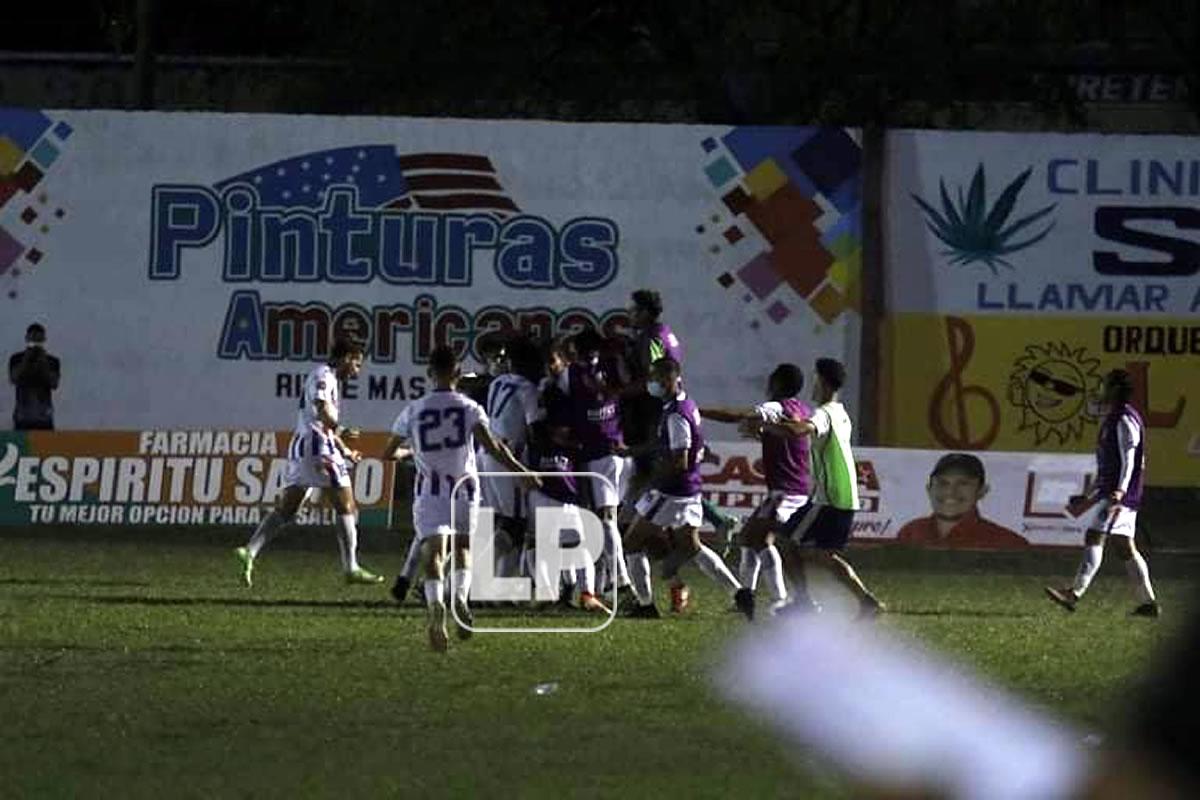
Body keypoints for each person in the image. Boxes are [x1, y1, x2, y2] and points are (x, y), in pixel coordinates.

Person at [383, 345, 540, 652]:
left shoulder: (414, 409)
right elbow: (494, 447)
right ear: (457, 373)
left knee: (433, 553)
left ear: (430, 373)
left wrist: (409, 453)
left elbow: (388, 452)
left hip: (429, 489)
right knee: (463, 548)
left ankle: (435, 607)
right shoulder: (469, 408)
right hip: (464, 488)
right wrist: (521, 472)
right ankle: (459, 598)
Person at [235, 336, 383, 587]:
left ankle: (249, 551)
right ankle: (351, 567)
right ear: (346, 358)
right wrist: (342, 427)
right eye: (357, 364)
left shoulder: (329, 378)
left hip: (308, 446)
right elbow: (322, 410)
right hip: (317, 449)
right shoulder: (324, 376)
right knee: (347, 506)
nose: (357, 371)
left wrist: (346, 451)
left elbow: (320, 423)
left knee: (288, 508)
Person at [622, 357, 749, 618]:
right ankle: (740, 593)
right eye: (652, 378)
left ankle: (644, 605)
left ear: (673, 379)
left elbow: (680, 460)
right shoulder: (685, 405)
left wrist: (653, 481)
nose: (653, 383)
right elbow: (667, 447)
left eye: (657, 378)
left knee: (632, 543)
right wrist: (632, 451)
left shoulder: (676, 415)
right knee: (692, 546)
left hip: (671, 492)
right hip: (688, 491)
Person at [760, 358, 885, 619]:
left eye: (815, 378)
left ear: (823, 381)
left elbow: (800, 430)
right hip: (841, 497)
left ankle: (804, 600)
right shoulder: (840, 412)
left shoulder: (823, 413)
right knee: (820, 554)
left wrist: (767, 426)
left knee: (785, 540)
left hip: (828, 498)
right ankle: (866, 601)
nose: (812, 385)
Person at [620, 289, 737, 560]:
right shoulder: (666, 332)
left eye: (634, 310)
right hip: (665, 408)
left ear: (647, 312)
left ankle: (640, 537)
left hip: (654, 413)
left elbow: (655, 373)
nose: (630, 315)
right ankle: (713, 521)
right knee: (656, 479)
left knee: (653, 475)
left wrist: (618, 392)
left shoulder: (651, 337)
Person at [1045, 369, 1160, 617]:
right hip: (1116, 492)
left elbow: (1129, 459)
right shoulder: (1113, 418)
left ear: (1115, 390)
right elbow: (1109, 464)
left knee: (1094, 536)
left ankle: (1074, 593)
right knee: (1125, 547)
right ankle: (1148, 604)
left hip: (1120, 495)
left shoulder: (1124, 419)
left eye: (1105, 385)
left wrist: (1120, 490)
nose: (1100, 390)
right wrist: (1088, 494)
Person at [700, 363, 812, 614]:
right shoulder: (801, 408)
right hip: (792, 489)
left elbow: (740, 415)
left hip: (786, 491)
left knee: (758, 538)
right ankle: (747, 596)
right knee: (750, 540)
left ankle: (779, 599)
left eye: (771, 381)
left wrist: (700, 412)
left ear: (778, 384)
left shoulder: (775, 407)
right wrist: (763, 436)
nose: (767, 385)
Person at [895, 453, 1029, 549]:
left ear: (982, 491)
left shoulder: (1009, 544)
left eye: (963, 483)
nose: (951, 492)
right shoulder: (910, 533)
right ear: (929, 490)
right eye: (943, 483)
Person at [9, 323, 60, 430]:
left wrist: (43, 362)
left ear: (44, 340)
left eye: (38, 340)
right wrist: (26, 360)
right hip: (23, 417)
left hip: (44, 417)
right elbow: (14, 378)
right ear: (26, 339)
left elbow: (54, 383)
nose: (35, 344)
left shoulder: (52, 361)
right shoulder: (16, 359)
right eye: (33, 340)